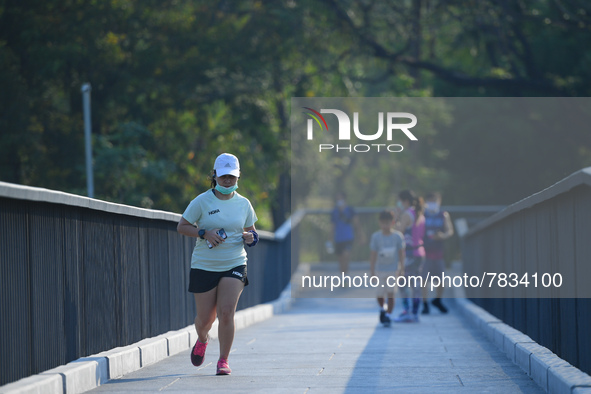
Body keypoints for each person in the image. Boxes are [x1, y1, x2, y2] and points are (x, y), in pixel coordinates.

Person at [177, 153, 258, 376]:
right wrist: (204, 232)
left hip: (234, 262)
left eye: (231, 177)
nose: (227, 181)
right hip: (204, 264)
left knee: (226, 312)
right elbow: (182, 226)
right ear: (214, 176)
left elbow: (251, 232)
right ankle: (203, 339)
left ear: (238, 176)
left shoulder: (244, 204)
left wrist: (251, 238)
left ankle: (223, 360)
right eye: (223, 177)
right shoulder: (201, 201)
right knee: (205, 319)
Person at [393, 190, 426, 323]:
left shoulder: (407, 214)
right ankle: (415, 312)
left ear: (405, 201)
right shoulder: (419, 213)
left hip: (410, 253)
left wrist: (396, 217)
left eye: (400, 201)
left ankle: (408, 311)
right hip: (419, 252)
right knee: (415, 284)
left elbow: (398, 233)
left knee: (402, 283)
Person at [369, 210, 405, 327]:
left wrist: (401, 269)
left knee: (391, 293)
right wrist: (372, 271)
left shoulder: (397, 237)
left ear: (392, 222)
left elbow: (401, 254)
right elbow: (373, 255)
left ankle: (388, 315)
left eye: (388, 223)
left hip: (392, 270)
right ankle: (383, 309)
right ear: (380, 223)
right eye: (383, 223)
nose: (385, 225)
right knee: (380, 294)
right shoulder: (376, 237)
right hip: (380, 270)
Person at [421, 192, 454, 314]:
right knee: (423, 279)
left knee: (441, 279)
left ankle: (438, 300)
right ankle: (424, 304)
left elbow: (450, 231)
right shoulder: (422, 215)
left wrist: (442, 236)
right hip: (425, 251)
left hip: (438, 251)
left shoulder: (443, 215)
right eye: (430, 201)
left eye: (435, 200)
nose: (432, 203)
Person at [330, 192, 359, 277]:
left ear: (344, 199)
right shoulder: (334, 211)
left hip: (348, 237)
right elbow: (332, 226)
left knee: (346, 256)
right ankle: (342, 276)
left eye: (340, 199)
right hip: (338, 238)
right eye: (337, 199)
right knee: (340, 259)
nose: (339, 201)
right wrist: (330, 239)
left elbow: (356, 223)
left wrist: (360, 235)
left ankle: (345, 275)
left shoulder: (350, 210)